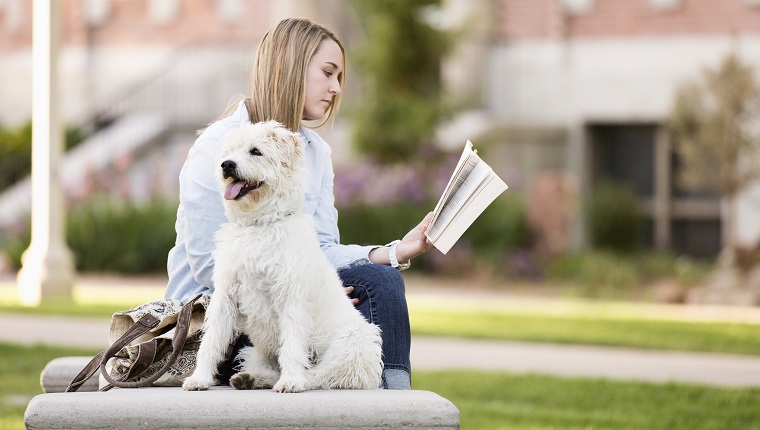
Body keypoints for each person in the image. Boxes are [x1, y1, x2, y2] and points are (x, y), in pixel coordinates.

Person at [164, 17, 434, 390]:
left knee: (381, 282)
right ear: (290, 67)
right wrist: (301, 294)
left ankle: (396, 405)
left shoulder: (315, 153)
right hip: (216, 316)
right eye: (328, 73)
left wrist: (395, 251)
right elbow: (206, 264)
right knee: (316, 307)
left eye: (339, 77)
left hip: (287, 298)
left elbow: (320, 248)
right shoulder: (220, 145)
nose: (336, 88)